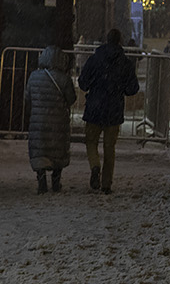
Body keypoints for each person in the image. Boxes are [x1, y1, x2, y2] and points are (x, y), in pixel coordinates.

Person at [78, 28, 139, 194]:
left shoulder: (95, 59)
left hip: (95, 107)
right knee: (109, 148)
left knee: (91, 142)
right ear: (120, 41)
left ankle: (95, 165)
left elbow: (83, 83)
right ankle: (106, 183)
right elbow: (133, 88)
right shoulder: (125, 62)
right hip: (114, 109)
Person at [24, 45, 76, 194]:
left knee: (40, 149)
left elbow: (28, 98)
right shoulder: (64, 79)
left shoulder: (33, 76)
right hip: (58, 122)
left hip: (39, 122)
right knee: (57, 150)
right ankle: (56, 181)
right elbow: (71, 98)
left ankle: (41, 181)